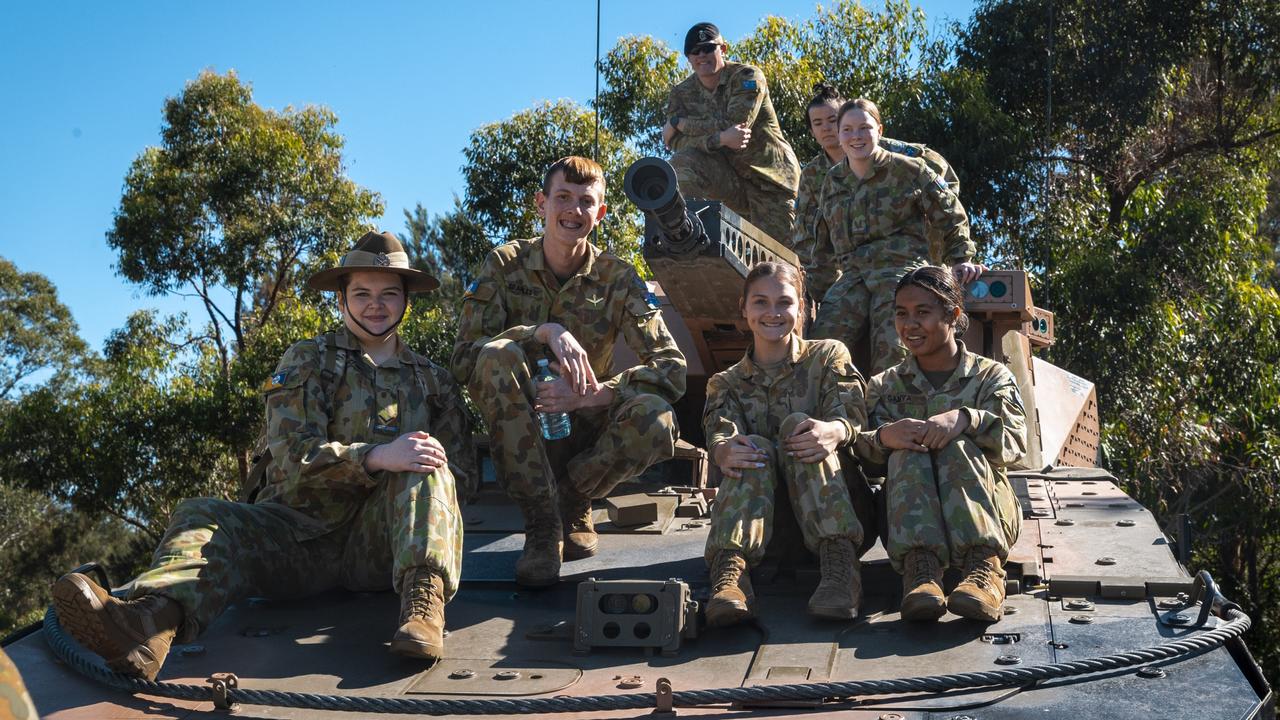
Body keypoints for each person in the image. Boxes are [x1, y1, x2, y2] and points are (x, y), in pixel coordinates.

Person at [52, 231, 475, 679]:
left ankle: (423, 610)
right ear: (341, 300)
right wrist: (373, 456)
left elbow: (462, 478)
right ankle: (147, 626)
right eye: (362, 293)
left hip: (382, 547)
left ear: (406, 300)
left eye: (389, 293)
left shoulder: (435, 382)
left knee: (428, 461)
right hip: (295, 538)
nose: (376, 304)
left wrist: (403, 467)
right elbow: (292, 456)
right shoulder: (309, 361)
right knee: (201, 514)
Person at [451, 156, 685, 588]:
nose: (573, 211)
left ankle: (575, 497)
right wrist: (543, 332)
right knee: (496, 355)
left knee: (658, 418)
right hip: (522, 427)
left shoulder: (618, 278)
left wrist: (591, 395)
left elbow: (671, 367)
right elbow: (465, 357)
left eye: (585, 202)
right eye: (562, 197)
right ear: (541, 202)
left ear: (600, 214)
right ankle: (543, 523)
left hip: (588, 430)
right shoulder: (504, 266)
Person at [702, 261, 867, 626]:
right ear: (743, 309)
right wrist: (724, 450)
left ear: (802, 309)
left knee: (800, 427)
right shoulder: (725, 383)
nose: (773, 313)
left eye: (784, 302)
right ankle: (731, 576)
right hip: (766, 529)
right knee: (750, 446)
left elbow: (853, 416)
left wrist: (835, 430)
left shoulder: (827, 357)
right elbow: (721, 433)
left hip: (838, 512)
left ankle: (842, 573)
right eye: (760, 302)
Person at [857, 265, 1025, 622]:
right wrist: (885, 437)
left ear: (953, 315)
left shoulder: (990, 377)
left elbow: (1014, 444)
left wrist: (966, 419)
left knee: (956, 445)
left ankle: (986, 571)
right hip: (907, 522)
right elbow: (861, 457)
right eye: (901, 314)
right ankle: (921, 573)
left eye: (923, 312)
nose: (910, 325)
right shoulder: (885, 386)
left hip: (988, 512)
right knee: (906, 450)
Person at [810, 98, 985, 376]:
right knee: (821, 343)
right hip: (854, 275)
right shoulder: (833, 181)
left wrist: (961, 258)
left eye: (864, 128)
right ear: (839, 136)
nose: (856, 137)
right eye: (847, 130)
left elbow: (950, 213)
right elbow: (822, 245)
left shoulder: (909, 170)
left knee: (893, 343)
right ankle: (835, 410)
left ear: (879, 130)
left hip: (900, 271)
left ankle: (891, 414)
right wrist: (818, 293)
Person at [792, 84, 961, 303]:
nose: (826, 128)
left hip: (905, 258)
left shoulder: (898, 156)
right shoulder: (815, 175)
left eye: (832, 120)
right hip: (852, 268)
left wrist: (951, 254)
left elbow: (944, 192)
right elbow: (808, 232)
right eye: (817, 123)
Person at [662, 22, 800, 245]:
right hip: (727, 181)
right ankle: (687, 238)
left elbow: (735, 125)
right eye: (695, 51)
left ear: (723, 49)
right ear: (688, 58)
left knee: (782, 261)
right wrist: (720, 139)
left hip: (770, 181)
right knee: (680, 164)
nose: (702, 55)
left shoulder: (747, 77)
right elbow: (676, 143)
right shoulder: (681, 92)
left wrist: (679, 122)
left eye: (708, 48)